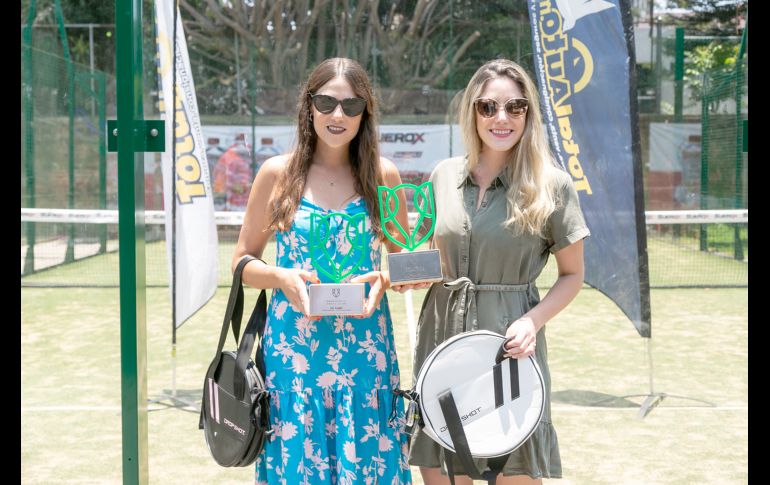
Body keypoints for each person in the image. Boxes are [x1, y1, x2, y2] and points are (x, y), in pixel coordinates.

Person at [394, 58, 590, 484]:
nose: (501, 118)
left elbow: (572, 275)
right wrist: (408, 273)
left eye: (514, 107)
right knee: (444, 470)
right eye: (488, 107)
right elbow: (430, 254)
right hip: (441, 341)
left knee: (513, 469)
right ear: (472, 112)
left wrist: (531, 321)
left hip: (509, 344)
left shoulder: (551, 184)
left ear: (528, 113)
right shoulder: (443, 175)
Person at [232, 57, 413, 485]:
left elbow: (406, 267)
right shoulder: (278, 174)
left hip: (366, 353)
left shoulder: (382, 175)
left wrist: (384, 280)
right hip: (295, 356)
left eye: (351, 106)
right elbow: (243, 262)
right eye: (326, 102)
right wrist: (281, 277)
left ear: (365, 113)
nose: (337, 115)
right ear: (308, 106)